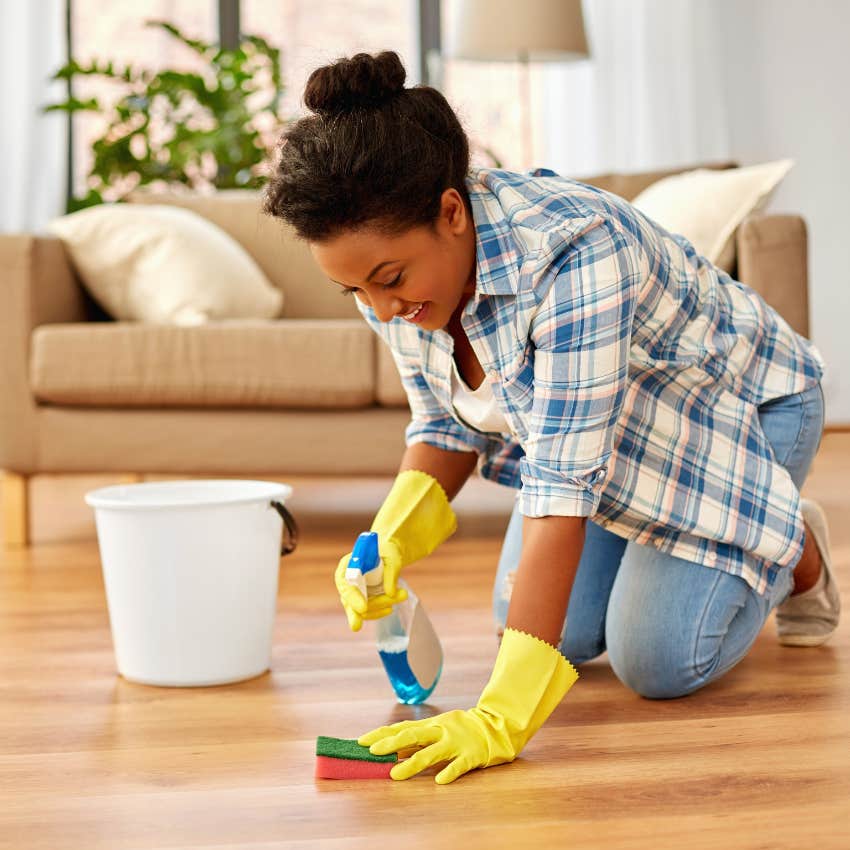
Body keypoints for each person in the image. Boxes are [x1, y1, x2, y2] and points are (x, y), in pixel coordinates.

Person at [261, 50, 840, 784]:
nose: (381, 310)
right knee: (551, 635)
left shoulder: (573, 255)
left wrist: (502, 719)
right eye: (354, 292)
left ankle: (787, 538)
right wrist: (391, 539)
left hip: (740, 412)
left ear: (450, 212)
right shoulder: (404, 288)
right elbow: (446, 425)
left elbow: (562, 488)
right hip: (623, 442)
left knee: (655, 660)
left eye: (389, 281)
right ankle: (688, 547)